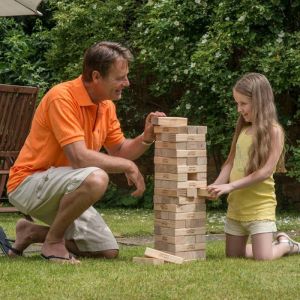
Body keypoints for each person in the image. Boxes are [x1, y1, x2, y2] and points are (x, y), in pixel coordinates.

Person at [4, 41, 165, 264]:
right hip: (27, 183)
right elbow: (78, 157)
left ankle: (31, 232)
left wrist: (146, 137)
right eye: (120, 78)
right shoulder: (62, 97)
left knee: (106, 249)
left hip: (63, 185)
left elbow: (119, 150)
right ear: (97, 76)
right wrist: (127, 166)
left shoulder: (106, 105)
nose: (126, 83)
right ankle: (53, 243)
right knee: (97, 178)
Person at [207, 72, 300, 261]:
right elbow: (230, 162)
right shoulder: (242, 128)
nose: (239, 109)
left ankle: (285, 245)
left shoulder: (274, 132)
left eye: (243, 103)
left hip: (260, 206)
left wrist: (231, 186)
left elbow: (265, 171)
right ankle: (269, 244)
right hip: (237, 206)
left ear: (259, 102)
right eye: (237, 103)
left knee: (263, 258)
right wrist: (217, 185)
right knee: (233, 256)